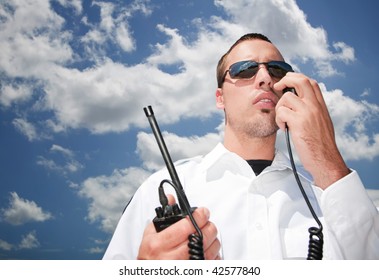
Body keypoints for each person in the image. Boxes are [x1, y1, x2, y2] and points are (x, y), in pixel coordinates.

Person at [103, 33, 379, 260]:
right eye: (245, 69)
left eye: (276, 70)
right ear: (220, 98)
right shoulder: (160, 188)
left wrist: (327, 159)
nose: (264, 79)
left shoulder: (330, 192)